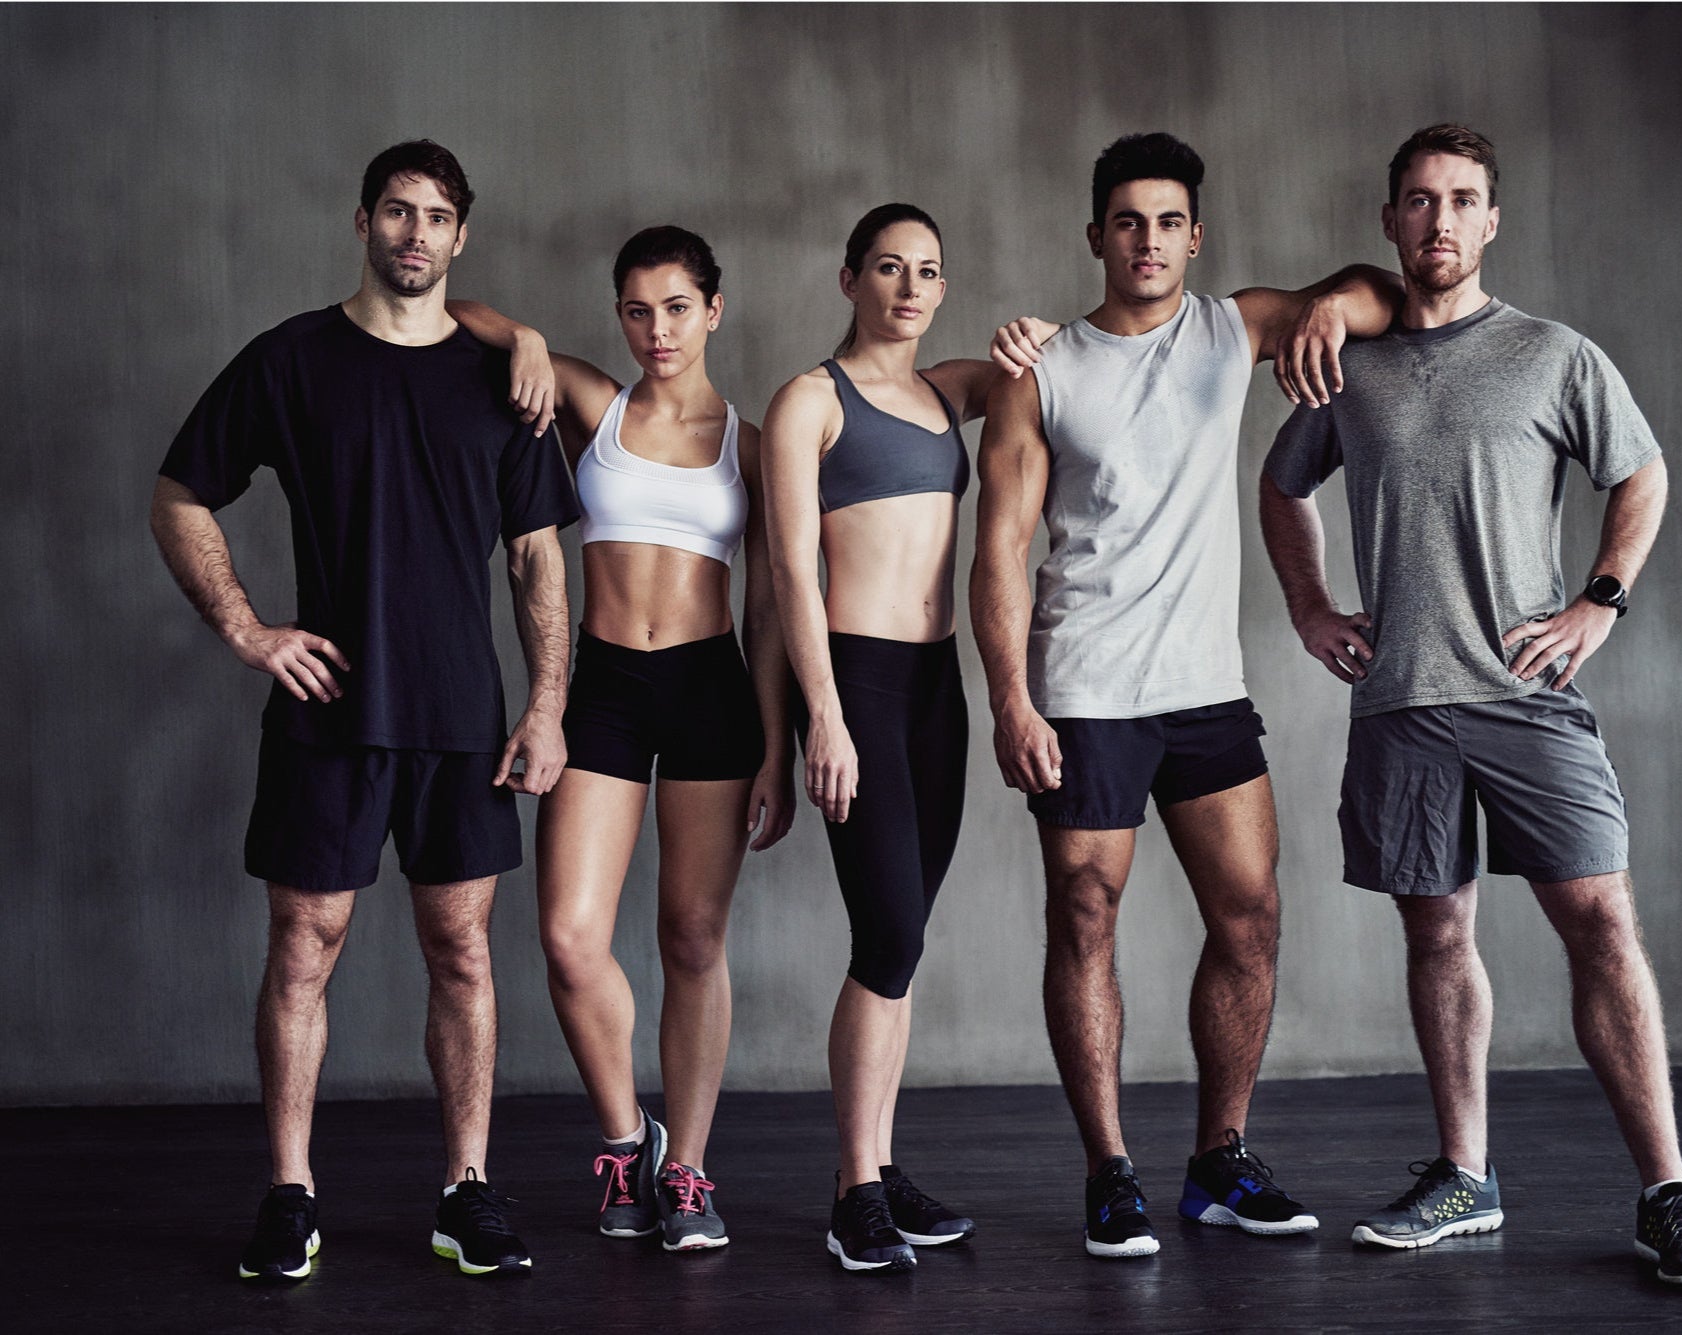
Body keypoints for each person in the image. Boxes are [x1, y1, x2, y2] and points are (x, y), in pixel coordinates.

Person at [1259, 124, 1682, 1289]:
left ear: (1491, 223)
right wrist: (1315, 608)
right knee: (1439, 934)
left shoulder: (1551, 353)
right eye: (1417, 201)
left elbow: (1642, 471)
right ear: (1389, 223)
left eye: (1461, 201)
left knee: (1602, 926)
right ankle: (1464, 1177)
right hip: (1401, 702)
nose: (1438, 221)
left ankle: (1669, 1197)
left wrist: (1602, 604)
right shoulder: (1351, 365)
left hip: (1527, 697)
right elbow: (1283, 487)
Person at [150, 140, 579, 1281]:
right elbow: (181, 492)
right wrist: (247, 629)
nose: (415, 232)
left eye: (437, 215)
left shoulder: (507, 382)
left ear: (460, 237)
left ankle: (466, 1192)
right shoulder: (291, 361)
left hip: (462, 721)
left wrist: (547, 704)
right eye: (398, 210)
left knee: (463, 954)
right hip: (330, 711)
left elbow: (538, 563)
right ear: (362, 222)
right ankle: (290, 1193)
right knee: (304, 948)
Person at [970, 132, 1403, 1259]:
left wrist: (1325, 315)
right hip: (1084, 688)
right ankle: (1109, 1172)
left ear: (1194, 236)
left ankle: (1220, 1160)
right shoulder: (1042, 367)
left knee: (1252, 919)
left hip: (1206, 688)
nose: (1148, 240)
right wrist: (1011, 699)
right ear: (1096, 236)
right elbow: (1001, 548)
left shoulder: (1233, 325)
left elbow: (1382, 291)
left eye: (1168, 222)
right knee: (1085, 918)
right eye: (1127, 221)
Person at [446, 225, 794, 1252]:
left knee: (693, 938)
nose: (657, 329)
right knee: (568, 936)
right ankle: (624, 1141)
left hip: (709, 687)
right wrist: (528, 337)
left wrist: (776, 743)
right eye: (637, 310)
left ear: (713, 310)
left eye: (677, 307)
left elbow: (771, 608)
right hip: (602, 685)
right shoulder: (593, 405)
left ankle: (685, 1170)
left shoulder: (754, 445)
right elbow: (460, 320)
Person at [763, 203, 1053, 1272]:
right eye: (888, 268)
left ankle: (880, 1168)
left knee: (904, 943)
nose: (909, 288)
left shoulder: (947, 394)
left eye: (928, 271)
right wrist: (823, 717)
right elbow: (793, 571)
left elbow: (1031, 373)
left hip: (938, 685)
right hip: (857, 681)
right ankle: (852, 1193)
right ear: (849, 280)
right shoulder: (808, 402)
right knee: (884, 937)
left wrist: (1035, 340)